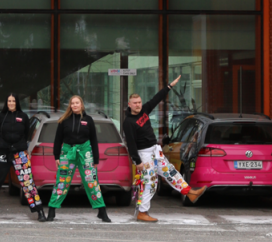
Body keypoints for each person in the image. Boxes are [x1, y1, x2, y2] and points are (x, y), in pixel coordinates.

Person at [123, 75, 207, 222]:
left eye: (139, 102)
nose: (138, 105)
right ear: (129, 104)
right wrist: (138, 162)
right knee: (151, 182)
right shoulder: (128, 122)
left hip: (155, 151)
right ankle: (142, 212)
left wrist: (169, 86)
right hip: (144, 155)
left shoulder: (145, 110)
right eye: (135, 103)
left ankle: (189, 193)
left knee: (171, 172)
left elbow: (156, 98)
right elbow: (131, 144)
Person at [0, 94, 46, 222]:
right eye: (9, 101)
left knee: (28, 183)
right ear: (6, 102)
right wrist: (4, 146)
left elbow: (26, 135)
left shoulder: (23, 117)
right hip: (2, 152)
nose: (11, 103)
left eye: (13, 101)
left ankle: (39, 211)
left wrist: (18, 146)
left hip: (19, 153)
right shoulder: (0, 117)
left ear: (17, 102)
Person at [46, 95, 111, 223]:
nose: (75, 105)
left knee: (92, 182)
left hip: (85, 153)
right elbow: (58, 139)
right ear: (70, 106)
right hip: (67, 153)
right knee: (61, 182)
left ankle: (101, 210)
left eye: (77, 103)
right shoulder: (64, 120)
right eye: (72, 103)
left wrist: (96, 159)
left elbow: (93, 139)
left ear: (81, 105)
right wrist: (56, 156)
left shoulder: (88, 120)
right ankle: (52, 210)